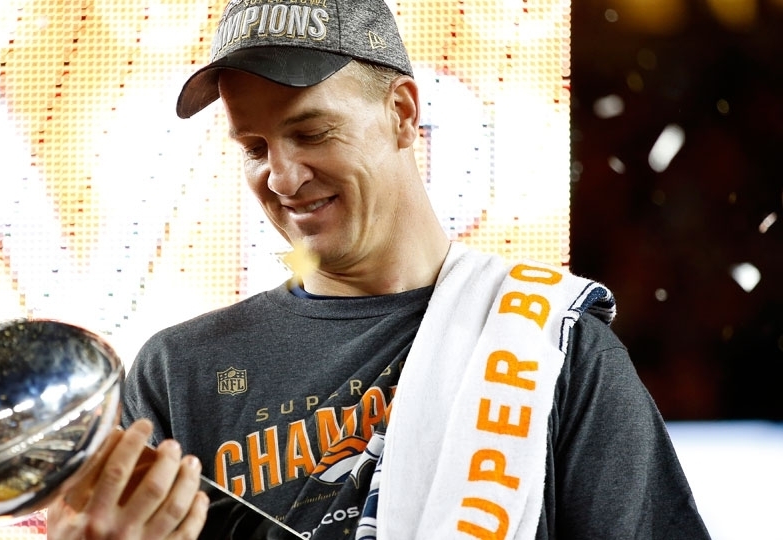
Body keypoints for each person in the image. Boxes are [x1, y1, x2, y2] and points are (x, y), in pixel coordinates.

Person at [48, 0, 711, 538]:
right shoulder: (179, 372)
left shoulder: (551, 346)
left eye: (311, 132)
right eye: (254, 146)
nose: (281, 177)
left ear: (403, 113)